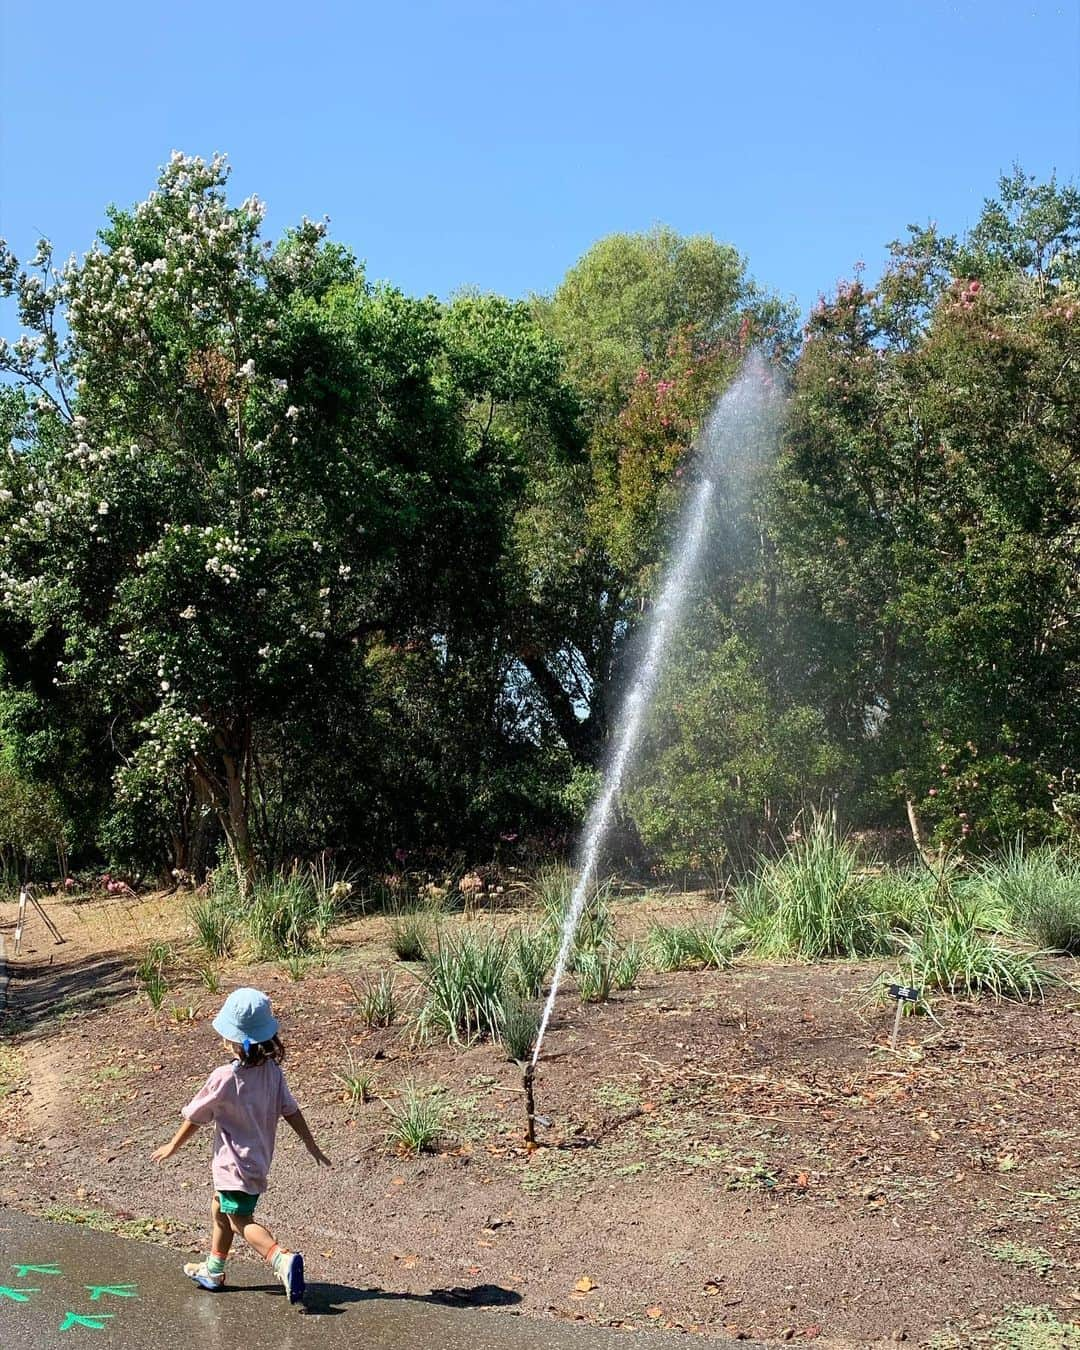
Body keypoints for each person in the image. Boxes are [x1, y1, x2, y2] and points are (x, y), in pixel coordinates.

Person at [151, 987, 331, 1303]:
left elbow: (195, 1116)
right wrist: (311, 1145)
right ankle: (213, 1270)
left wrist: (172, 1146)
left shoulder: (225, 1077)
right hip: (257, 1162)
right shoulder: (273, 1072)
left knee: (239, 1221)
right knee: (219, 1208)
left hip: (234, 1166)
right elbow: (291, 1110)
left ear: (232, 1039)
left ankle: (281, 1259)